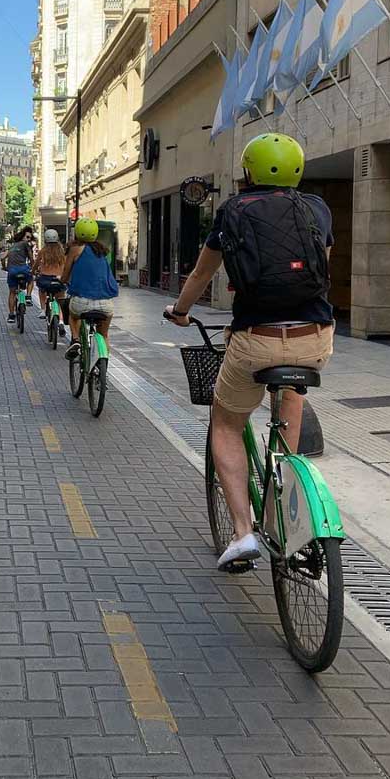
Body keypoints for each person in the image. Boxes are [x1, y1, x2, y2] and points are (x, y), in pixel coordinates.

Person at [164, 133, 334, 570]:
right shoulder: (316, 208)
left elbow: (203, 273)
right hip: (314, 337)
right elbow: (322, 266)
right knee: (292, 394)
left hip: (255, 337)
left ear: (247, 172)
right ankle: (285, 496)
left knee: (225, 422)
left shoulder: (233, 211)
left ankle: (243, 534)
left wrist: (180, 311)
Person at [61, 218, 118, 360]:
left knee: (73, 316)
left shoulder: (75, 249)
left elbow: (65, 275)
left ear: (77, 233)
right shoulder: (102, 251)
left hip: (82, 302)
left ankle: (75, 340)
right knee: (103, 334)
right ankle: (103, 366)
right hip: (106, 304)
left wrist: (63, 281)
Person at [33, 229, 67, 333]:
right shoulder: (62, 251)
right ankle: (61, 322)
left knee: (41, 289)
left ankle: (43, 310)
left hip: (45, 279)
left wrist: (33, 271)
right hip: (59, 279)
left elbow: (36, 264)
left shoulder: (43, 251)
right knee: (60, 301)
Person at [1, 226, 35, 323]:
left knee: (12, 293)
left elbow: (2, 258)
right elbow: (31, 257)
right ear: (23, 237)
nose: (28, 239)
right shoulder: (25, 244)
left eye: (30, 238)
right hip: (23, 269)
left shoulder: (12, 246)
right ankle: (28, 297)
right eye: (27, 237)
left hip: (12, 271)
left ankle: (11, 315)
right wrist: (33, 268)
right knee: (31, 279)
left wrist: (4, 268)